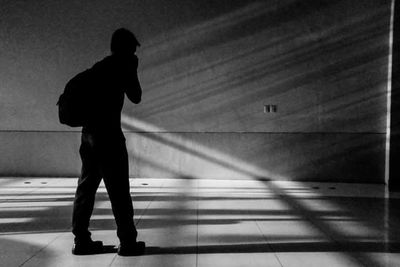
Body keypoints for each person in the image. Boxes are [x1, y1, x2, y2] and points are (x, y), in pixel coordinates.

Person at [71, 28, 145, 256]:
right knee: (120, 191)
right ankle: (128, 242)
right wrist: (133, 67)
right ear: (126, 48)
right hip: (110, 137)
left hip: (89, 136)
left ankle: (81, 239)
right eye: (132, 49)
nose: (134, 52)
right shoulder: (123, 66)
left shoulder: (98, 68)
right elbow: (136, 96)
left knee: (86, 189)